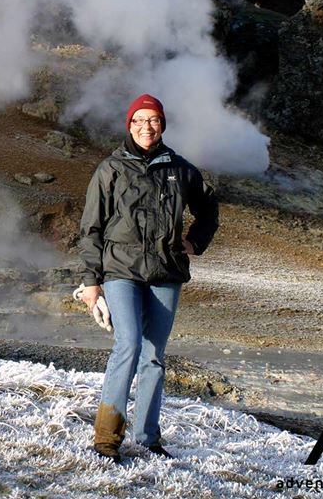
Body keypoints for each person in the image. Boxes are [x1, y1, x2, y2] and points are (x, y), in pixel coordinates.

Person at [78, 93, 219, 463]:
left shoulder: (181, 169)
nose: (146, 127)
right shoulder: (110, 169)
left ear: (162, 125)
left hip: (165, 272)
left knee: (154, 355)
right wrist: (92, 281)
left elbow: (209, 208)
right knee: (128, 345)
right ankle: (107, 438)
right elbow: (91, 228)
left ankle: (147, 437)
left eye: (153, 120)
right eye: (139, 120)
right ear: (129, 125)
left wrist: (194, 241)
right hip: (120, 270)